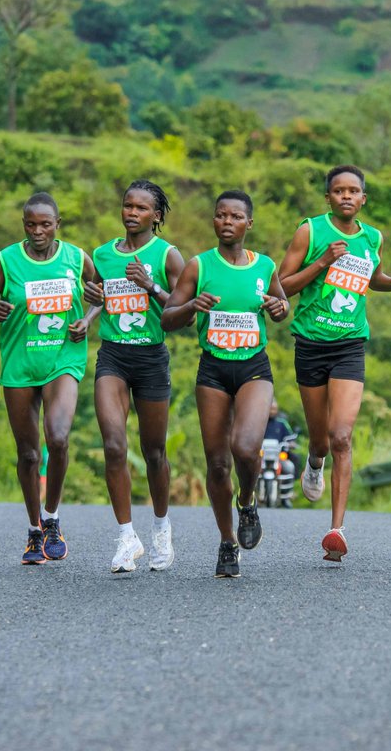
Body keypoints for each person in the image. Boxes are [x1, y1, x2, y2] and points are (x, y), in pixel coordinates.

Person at [277, 164, 391, 562]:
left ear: (363, 199)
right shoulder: (311, 232)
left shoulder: (373, 237)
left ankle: (336, 530)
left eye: (354, 191)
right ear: (328, 197)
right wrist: (322, 262)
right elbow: (280, 285)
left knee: (342, 436)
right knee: (320, 441)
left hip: (350, 345)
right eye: (339, 191)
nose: (346, 196)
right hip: (311, 344)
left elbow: (373, 279)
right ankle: (313, 463)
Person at [161, 190, 290, 578]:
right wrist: (190, 306)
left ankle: (247, 501)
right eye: (220, 216)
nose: (227, 222)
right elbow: (168, 317)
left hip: (253, 366)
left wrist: (279, 308)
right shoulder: (199, 266)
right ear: (214, 221)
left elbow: (282, 308)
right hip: (213, 370)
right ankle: (227, 542)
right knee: (218, 464)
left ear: (249, 223)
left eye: (236, 216)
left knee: (246, 447)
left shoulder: (264, 266)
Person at [0, 191, 95, 565]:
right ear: (24, 225)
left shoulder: (76, 258)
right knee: (28, 454)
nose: (38, 231)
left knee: (57, 438)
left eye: (46, 224)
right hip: (19, 363)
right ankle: (33, 532)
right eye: (31, 225)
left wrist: (87, 321)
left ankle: (52, 518)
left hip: (63, 357)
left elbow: (101, 292)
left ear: (57, 225)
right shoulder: (7, 260)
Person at [85, 180, 186, 573]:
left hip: (151, 359)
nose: (132, 213)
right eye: (127, 205)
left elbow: (181, 313)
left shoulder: (168, 255)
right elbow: (99, 296)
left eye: (141, 208)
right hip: (112, 356)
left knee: (154, 452)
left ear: (156, 216)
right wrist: (93, 306)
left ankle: (161, 527)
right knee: (113, 444)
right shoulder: (102, 254)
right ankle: (127, 537)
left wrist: (151, 285)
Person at [264, 398, 301, 507]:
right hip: (261, 456)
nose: (272, 411)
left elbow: (290, 437)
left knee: (290, 466)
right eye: (270, 408)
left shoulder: (282, 423)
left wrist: (291, 443)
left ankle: (286, 496)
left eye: (274, 409)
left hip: (278, 455)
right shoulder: (259, 421)